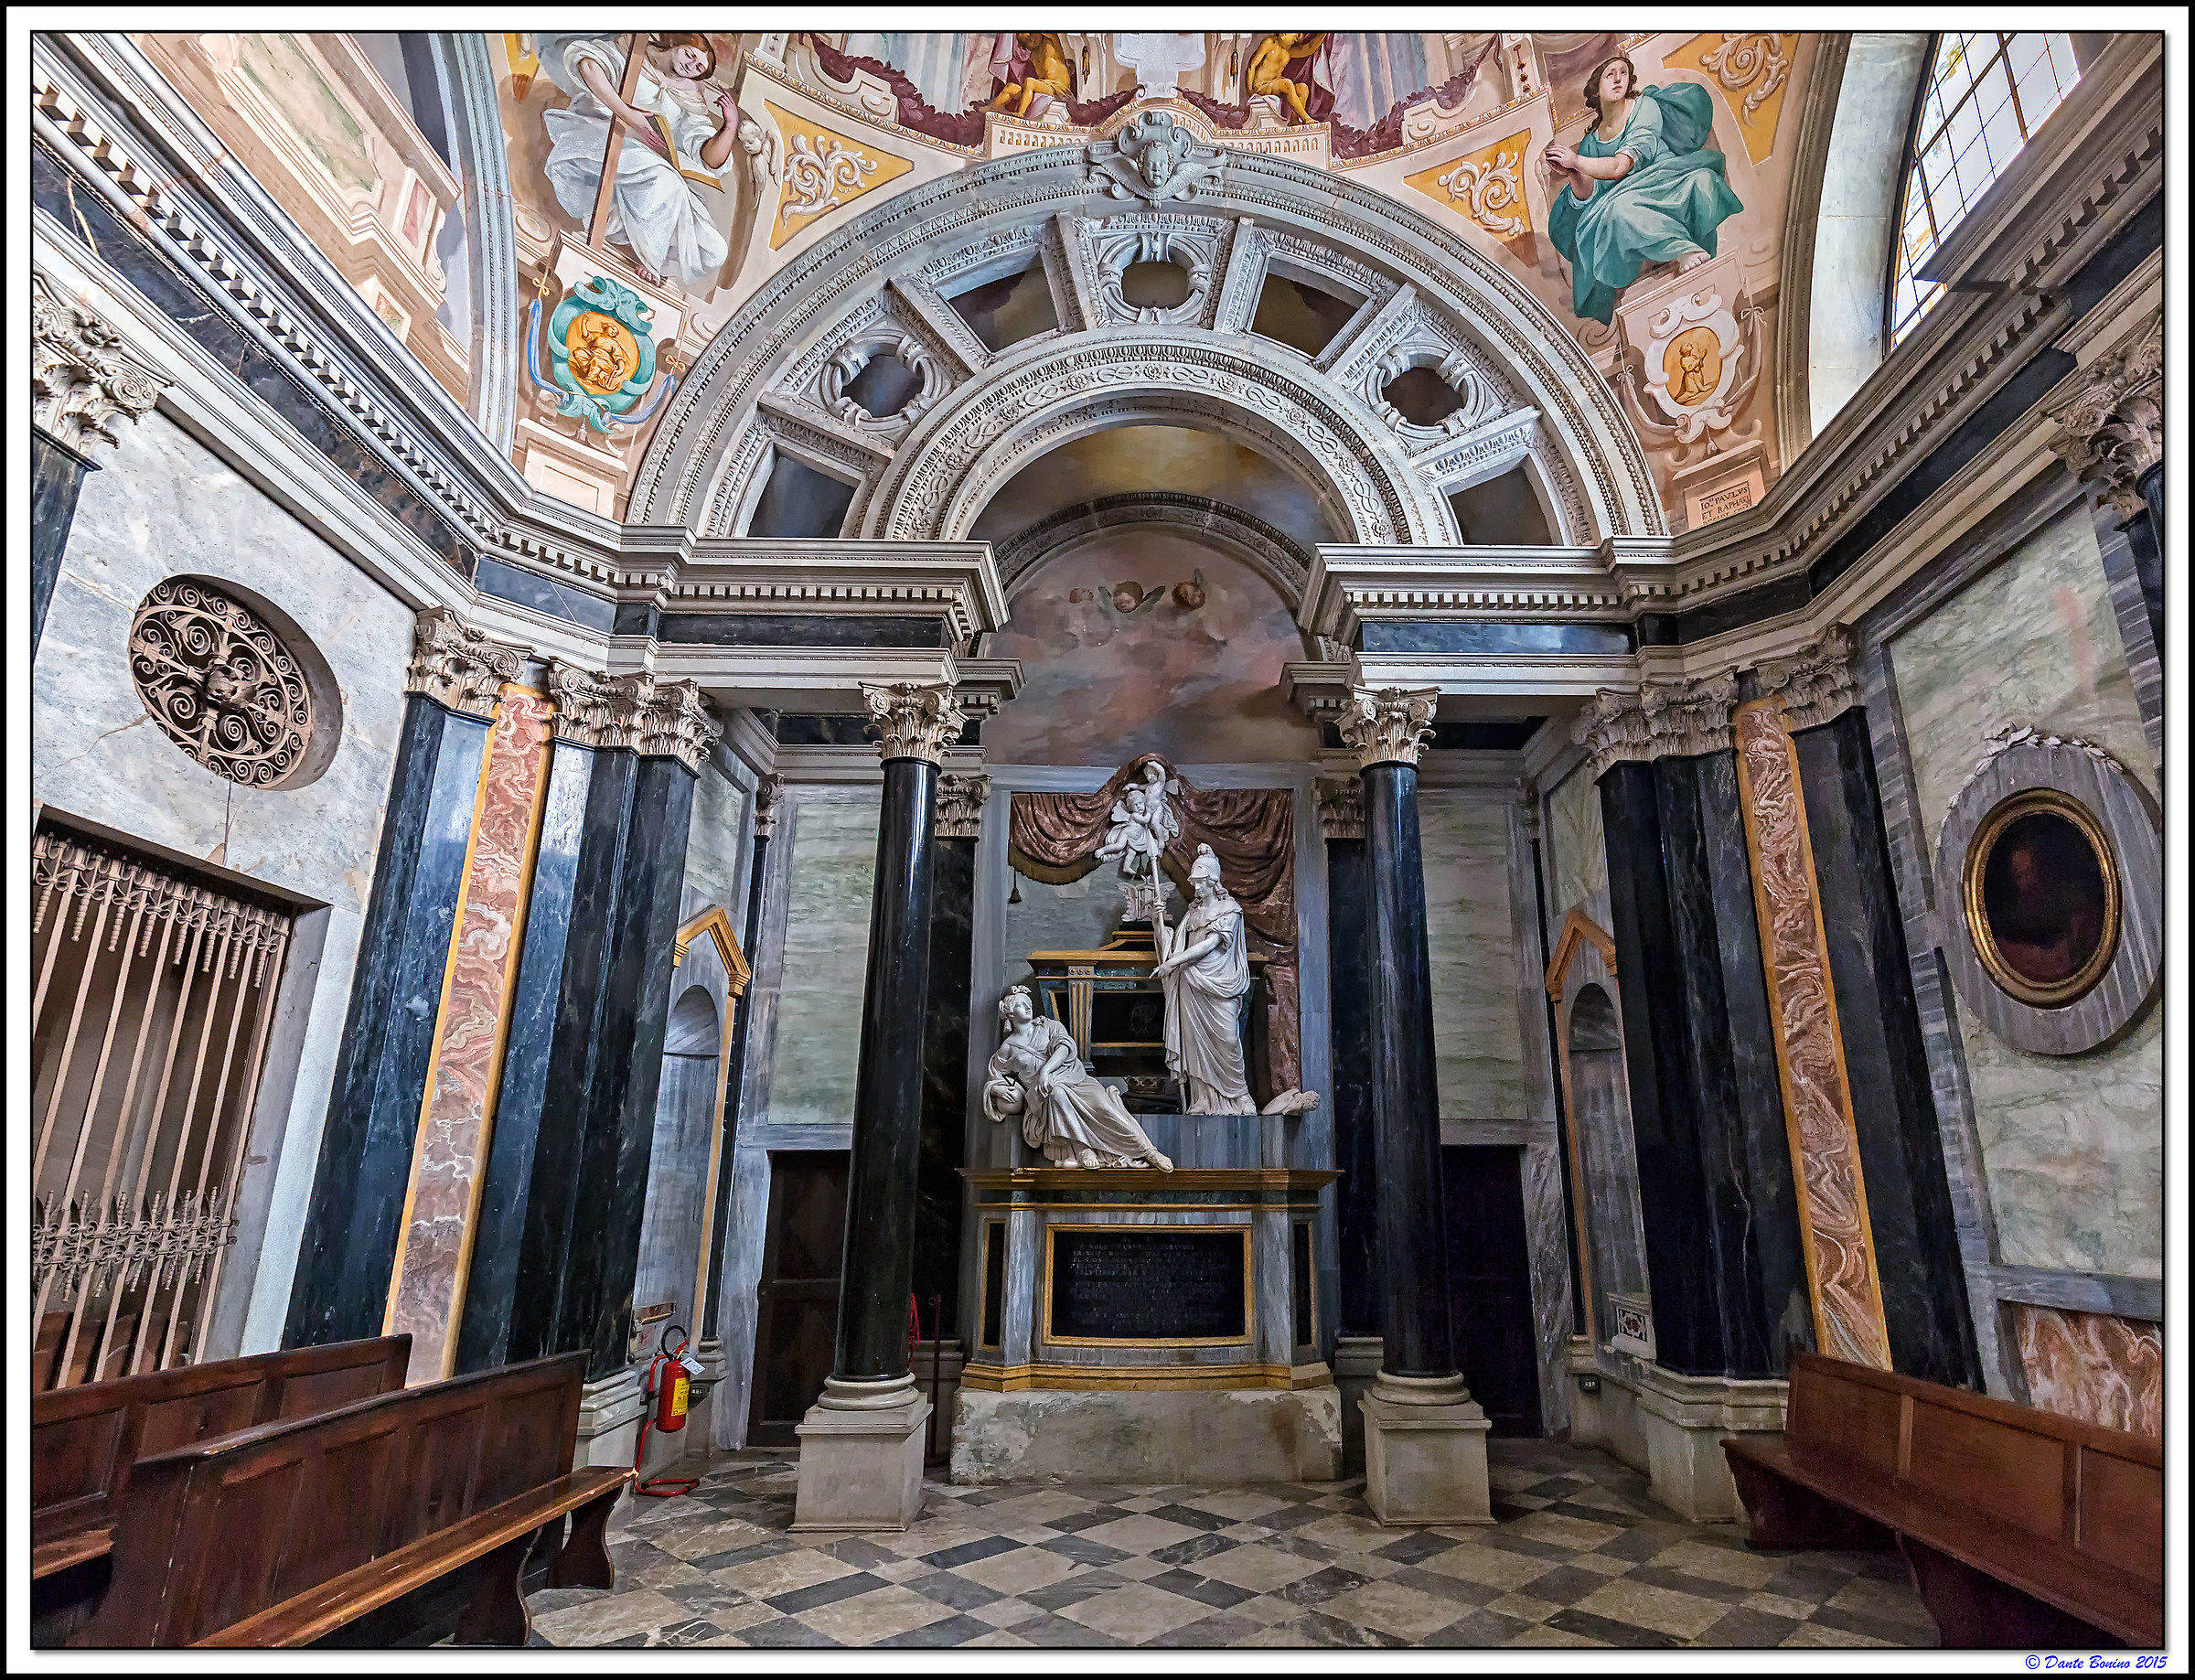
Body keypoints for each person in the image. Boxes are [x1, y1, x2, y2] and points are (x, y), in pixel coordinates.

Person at [1542, 55, 1744, 326]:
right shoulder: (1591, 142)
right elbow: (1589, 195)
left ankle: (1683, 249)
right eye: (1609, 74)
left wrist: (1577, 161)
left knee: (1629, 204)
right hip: (1623, 199)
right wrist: (1573, 173)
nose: (1617, 79)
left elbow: (1619, 167)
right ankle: (1679, 248)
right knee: (1617, 210)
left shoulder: (1643, 108)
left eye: (1623, 73)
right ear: (1596, 87)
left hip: (1664, 179)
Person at [541, 33, 739, 290]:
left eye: (699, 68)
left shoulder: (689, 98)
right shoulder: (633, 53)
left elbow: (709, 157)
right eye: (690, 55)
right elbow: (588, 65)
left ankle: (641, 241)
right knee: (666, 180)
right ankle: (649, 261)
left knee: (714, 249)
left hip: (647, 165)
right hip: (601, 134)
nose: (691, 66)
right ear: (676, 43)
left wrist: (730, 125)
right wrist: (629, 115)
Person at [985, 988, 1172, 1169]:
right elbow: (994, 1075)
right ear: (1010, 1013)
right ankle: (1083, 1150)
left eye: (1029, 1003)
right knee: (1056, 1094)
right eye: (1021, 1005)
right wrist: (997, 1089)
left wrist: (1046, 1071)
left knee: (1105, 1107)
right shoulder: (1008, 1048)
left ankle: (1148, 1151)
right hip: (1044, 1093)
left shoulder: (1049, 1026)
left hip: (1076, 1079)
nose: (1028, 1007)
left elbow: (1065, 1047)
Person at [1152, 844, 1257, 1114]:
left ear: (1213, 881)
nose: (1196, 888)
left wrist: (1174, 962)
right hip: (1190, 984)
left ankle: (1239, 1094)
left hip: (1219, 983)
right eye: (1195, 883)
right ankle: (1203, 1098)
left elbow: (1210, 944)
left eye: (1201, 883)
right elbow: (1173, 944)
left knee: (1228, 1039)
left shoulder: (1229, 910)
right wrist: (1158, 921)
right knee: (1195, 1044)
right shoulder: (1191, 915)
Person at [1246, 32, 1331, 125]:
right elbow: (1252, 65)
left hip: (1275, 85)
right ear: (1283, 33)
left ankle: (1294, 120)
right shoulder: (1269, 43)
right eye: (1297, 33)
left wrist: (1322, 34)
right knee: (1287, 84)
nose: (1299, 37)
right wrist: (1250, 90)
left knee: (1303, 88)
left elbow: (1310, 47)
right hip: (1261, 85)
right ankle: (1306, 118)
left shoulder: (1289, 51)